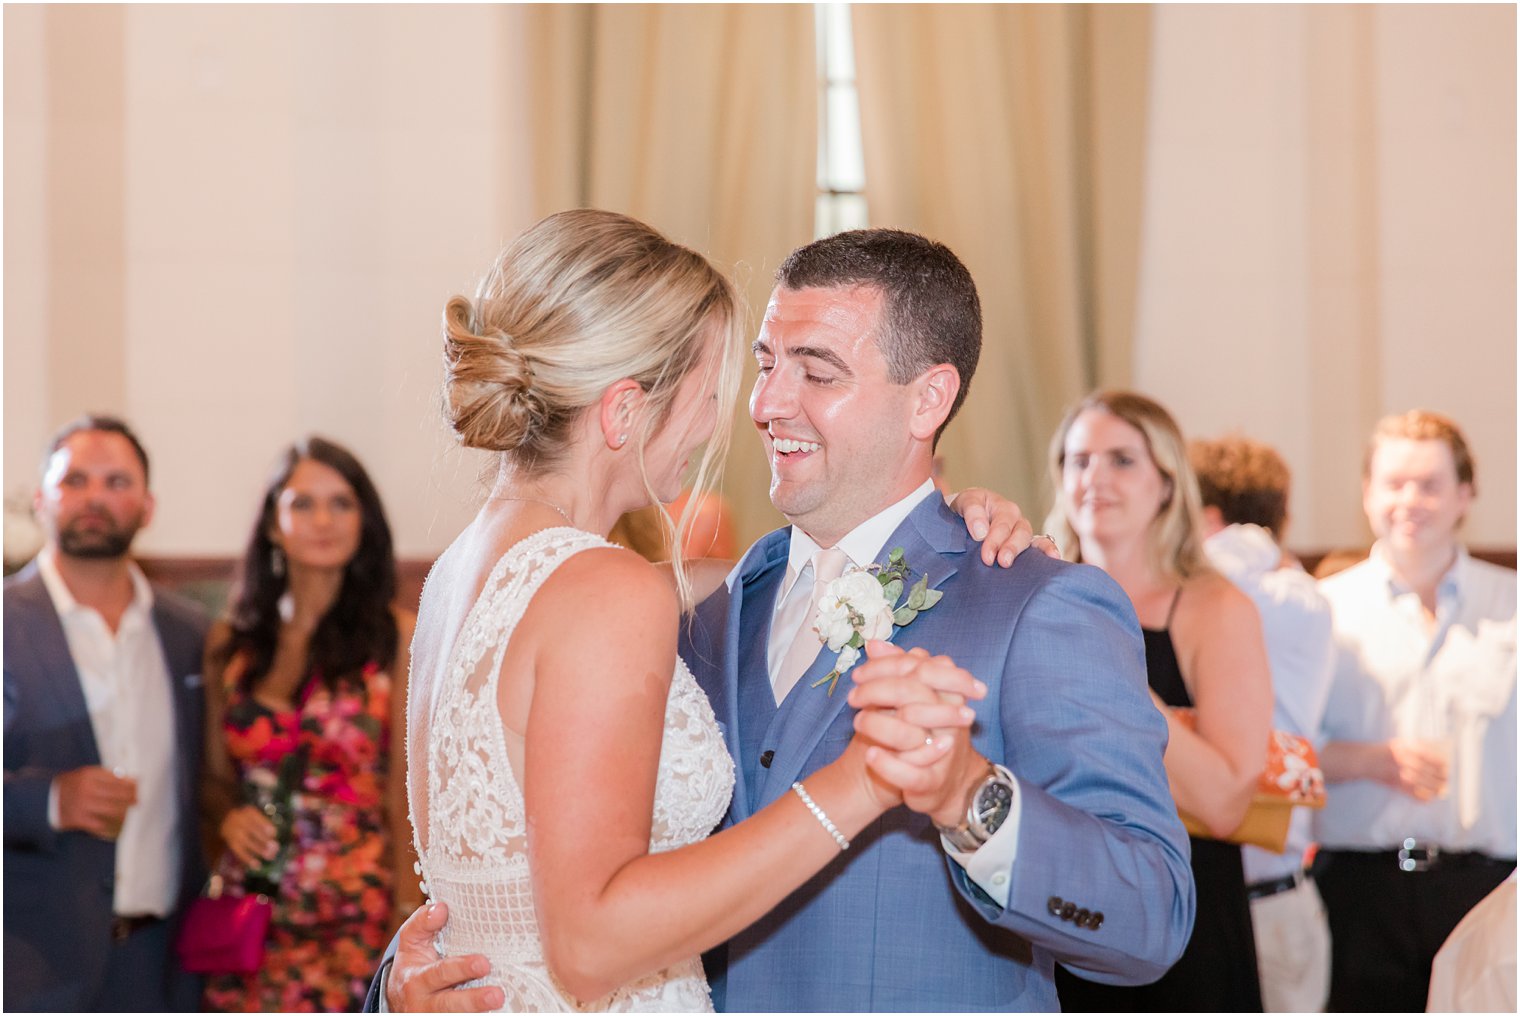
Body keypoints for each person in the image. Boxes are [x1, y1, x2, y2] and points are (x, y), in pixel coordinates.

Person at [390, 210, 1008, 1013]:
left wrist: (951, 526)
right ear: (621, 412)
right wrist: (861, 782)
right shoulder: (605, 590)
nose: (735, 417)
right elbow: (589, 948)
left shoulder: (456, 578)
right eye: (710, 391)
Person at [1046, 391, 1272, 1012]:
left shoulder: (1215, 609)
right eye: (1078, 460)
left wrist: (1116, 673)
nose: (1095, 478)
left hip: (1180, 913)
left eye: (1122, 460)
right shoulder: (1036, 598)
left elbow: (1226, 801)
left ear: (1168, 484)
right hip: (1054, 904)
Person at [200, 437, 418, 1012]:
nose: (323, 520)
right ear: (273, 524)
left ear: (364, 522)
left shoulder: (397, 635)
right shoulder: (231, 644)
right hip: (252, 915)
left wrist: (407, 919)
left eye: (341, 504)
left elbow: (405, 792)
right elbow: (216, 781)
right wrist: (229, 819)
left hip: (357, 916)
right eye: (302, 503)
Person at [4, 415, 208, 1011]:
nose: (95, 497)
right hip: (28, 964)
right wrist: (47, 801)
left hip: (165, 964)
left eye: (116, 482)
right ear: (41, 501)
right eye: (76, 481)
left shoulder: (190, 635)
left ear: (147, 506)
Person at [1314, 410, 1516, 1013]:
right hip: (1357, 887)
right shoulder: (1325, 608)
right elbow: (1273, 746)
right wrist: (1365, 760)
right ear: (1367, 494)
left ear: (1465, 494)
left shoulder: (1509, 603)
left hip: (1487, 887)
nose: (1411, 500)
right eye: (1393, 483)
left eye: (1429, 484)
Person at [1190, 433, 1335, 1013]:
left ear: (1205, 517)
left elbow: (1211, 567)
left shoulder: (1285, 597)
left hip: (1264, 903)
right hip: (1233, 892)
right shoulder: (1296, 594)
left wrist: (1237, 542)